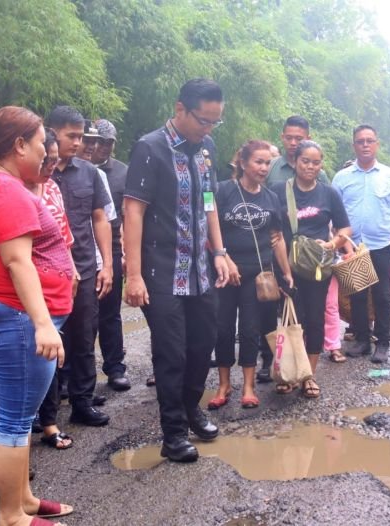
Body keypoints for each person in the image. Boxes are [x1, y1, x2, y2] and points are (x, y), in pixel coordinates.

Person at [0, 105, 74, 525]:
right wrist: (43, 322)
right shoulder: (3, 189)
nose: (43, 154)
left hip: (18, 314)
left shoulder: (4, 184)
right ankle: (11, 515)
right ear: (18, 145)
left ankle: (24, 499)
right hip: (15, 314)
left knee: (20, 416)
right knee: (12, 420)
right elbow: (17, 262)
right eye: (38, 146)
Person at [124, 78, 229, 463]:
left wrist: (219, 250)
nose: (208, 129)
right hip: (162, 271)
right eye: (203, 121)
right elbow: (133, 211)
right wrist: (132, 275)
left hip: (201, 269)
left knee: (203, 346)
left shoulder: (207, 149)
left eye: (215, 122)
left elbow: (208, 200)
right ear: (180, 109)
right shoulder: (150, 148)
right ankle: (173, 434)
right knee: (172, 354)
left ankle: (190, 409)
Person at [211, 140, 293, 409]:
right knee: (222, 329)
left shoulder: (271, 197)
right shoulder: (221, 190)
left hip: (257, 276)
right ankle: (224, 385)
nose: (264, 168)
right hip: (225, 273)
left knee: (249, 330)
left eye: (268, 162)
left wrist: (286, 271)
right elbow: (207, 230)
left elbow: (277, 237)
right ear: (243, 163)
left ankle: (248, 387)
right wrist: (225, 258)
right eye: (258, 162)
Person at [46, 106, 113, 427]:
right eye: (71, 136)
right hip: (47, 272)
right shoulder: (37, 172)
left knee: (84, 337)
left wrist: (108, 264)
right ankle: (46, 409)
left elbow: (100, 218)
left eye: (80, 136)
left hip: (86, 268)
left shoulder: (89, 173)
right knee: (49, 340)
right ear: (52, 132)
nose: (78, 142)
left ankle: (82, 402)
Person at [273, 140, 351, 397]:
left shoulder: (329, 193)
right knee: (291, 320)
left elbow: (345, 229)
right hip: (286, 266)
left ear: (321, 165)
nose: (310, 166)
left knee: (315, 320)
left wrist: (331, 244)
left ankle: (308, 375)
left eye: (316, 162)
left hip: (317, 268)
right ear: (294, 162)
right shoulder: (277, 191)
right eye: (305, 161)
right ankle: (288, 372)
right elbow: (271, 229)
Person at [333, 125, 390, 364]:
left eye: (370, 140)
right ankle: (361, 340)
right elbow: (334, 211)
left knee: (381, 296)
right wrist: (341, 243)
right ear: (354, 146)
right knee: (357, 295)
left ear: (377, 144)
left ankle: (383, 342)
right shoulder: (342, 178)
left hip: (380, 246)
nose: (365, 145)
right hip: (352, 246)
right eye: (361, 141)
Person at [31, 129, 77, 450]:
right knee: (33, 357)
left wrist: (72, 268)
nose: (51, 166)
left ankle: (48, 422)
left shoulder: (53, 189)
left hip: (58, 285)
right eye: (46, 160)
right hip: (29, 289)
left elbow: (63, 235)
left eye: (55, 161)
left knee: (53, 356)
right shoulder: (17, 190)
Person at [90, 118, 131, 391]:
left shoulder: (122, 172)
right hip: (80, 248)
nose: (104, 147)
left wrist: (126, 251)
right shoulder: (75, 168)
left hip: (113, 247)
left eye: (109, 142)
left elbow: (129, 213)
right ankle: (75, 376)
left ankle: (115, 367)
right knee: (80, 316)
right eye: (100, 142)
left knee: (110, 312)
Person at [265, 115, 330, 187]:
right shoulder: (269, 167)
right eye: (289, 138)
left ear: (308, 139)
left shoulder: (319, 175)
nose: (293, 143)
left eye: (298, 139)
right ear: (282, 137)